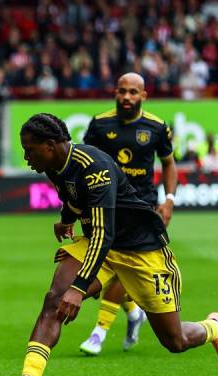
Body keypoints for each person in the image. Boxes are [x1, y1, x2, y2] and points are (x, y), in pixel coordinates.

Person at [0, 113, 218, 376]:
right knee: (54, 300)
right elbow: (72, 196)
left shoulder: (95, 168)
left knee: (175, 340)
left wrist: (80, 287)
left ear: (49, 145)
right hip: (102, 245)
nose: (25, 156)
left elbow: (103, 233)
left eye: (29, 149)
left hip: (140, 251)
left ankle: (214, 328)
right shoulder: (54, 164)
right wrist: (66, 220)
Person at [78, 73, 177, 355]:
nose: (127, 97)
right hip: (105, 205)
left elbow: (169, 164)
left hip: (142, 207)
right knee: (110, 266)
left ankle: (99, 332)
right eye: (122, 91)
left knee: (122, 266)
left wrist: (168, 200)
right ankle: (134, 313)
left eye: (133, 92)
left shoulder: (156, 127)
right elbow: (85, 165)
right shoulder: (99, 124)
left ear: (143, 96)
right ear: (115, 92)